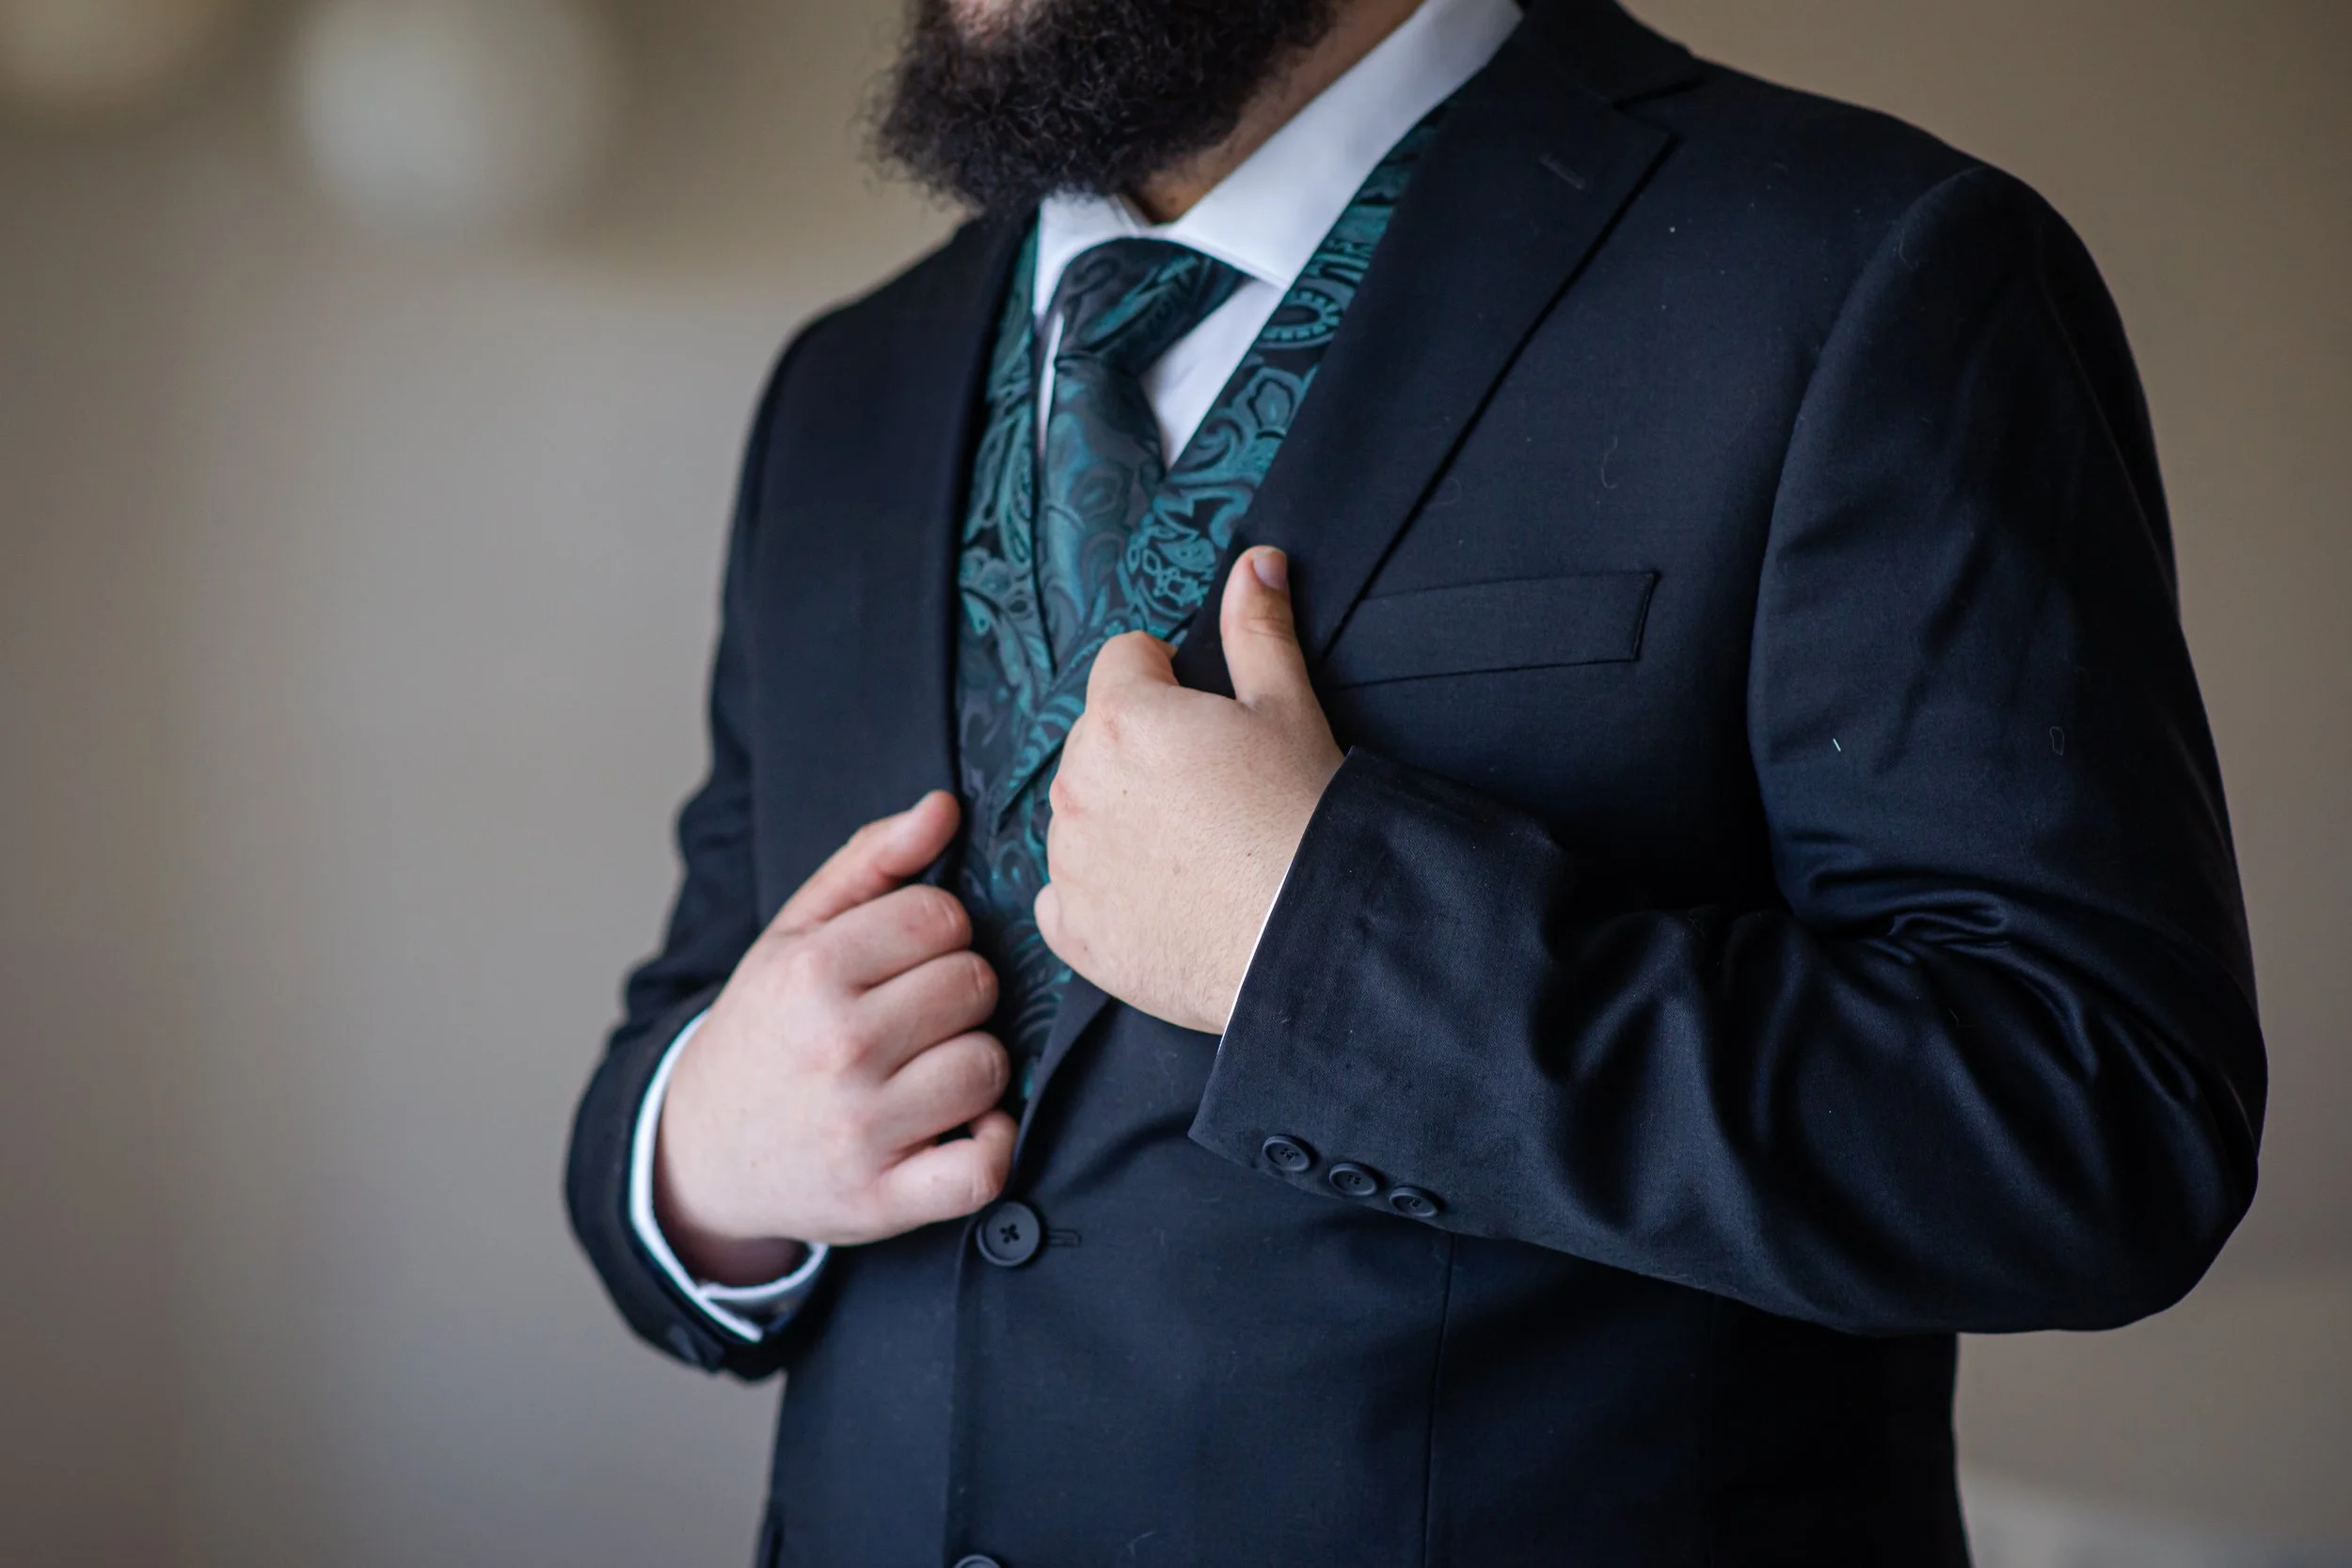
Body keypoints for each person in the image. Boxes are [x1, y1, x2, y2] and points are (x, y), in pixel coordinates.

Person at [564, 0, 2266, 1560]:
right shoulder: (841, 390)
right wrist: (702, 1158)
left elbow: (2099, 1123)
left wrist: (1330, 949)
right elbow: (683, 1021)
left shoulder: (1864, 269)